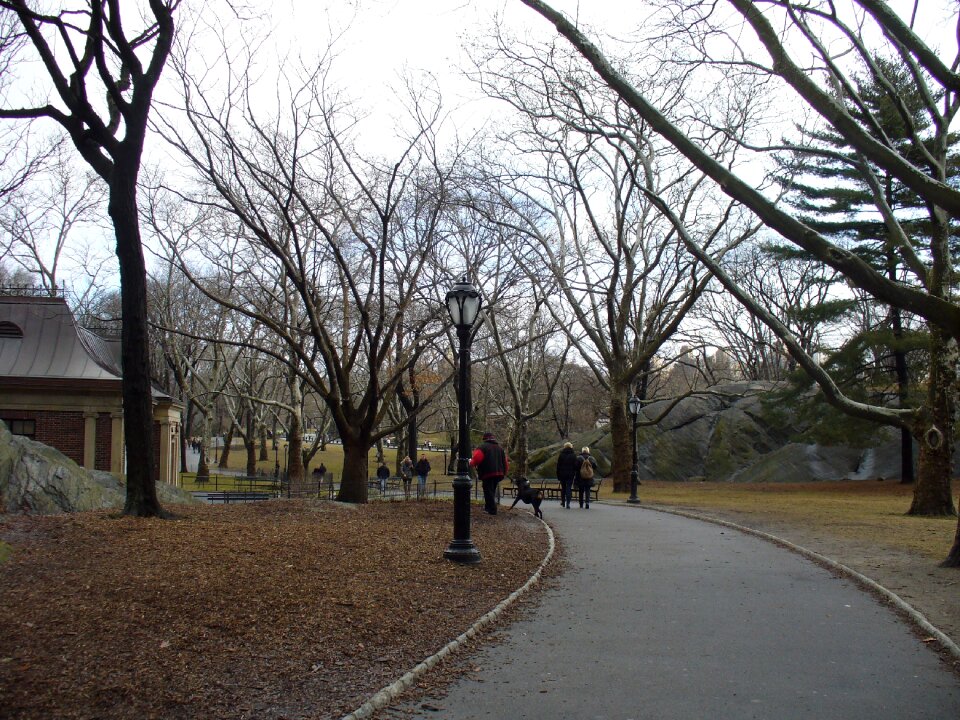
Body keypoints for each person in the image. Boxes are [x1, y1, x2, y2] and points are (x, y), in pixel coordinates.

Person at [470, 431, 508, 515]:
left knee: (488, 491)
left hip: (487, 473)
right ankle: (488, 508)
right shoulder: (500, 448)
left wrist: (471, 463)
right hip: (499, 473)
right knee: (492, 490)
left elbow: (476, 459)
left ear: (484, 439)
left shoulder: (482, 447)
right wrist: (504, 472)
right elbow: (505, 462)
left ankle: (492, 509)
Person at [555, 441, 578, 509]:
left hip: (562, 474)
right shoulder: (573, 455)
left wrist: (558, 474)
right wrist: (574, 472)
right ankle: (568, 502)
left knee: (563, 488)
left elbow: (558, 466)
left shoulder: (561, 455)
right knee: (568, 488)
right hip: (570, 474)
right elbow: (575, 466)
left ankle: (563, 502)